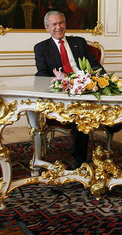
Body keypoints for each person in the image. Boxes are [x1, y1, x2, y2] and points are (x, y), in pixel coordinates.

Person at [33, 10, 104, 168]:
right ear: (47, 28)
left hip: (88, 89)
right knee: (81, 114)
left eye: (61, 23)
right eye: (54, 24)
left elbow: (95, 65)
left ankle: (110, 133)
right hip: (63, 94)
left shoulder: (79, 42)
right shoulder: (41, 48)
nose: (59, 27)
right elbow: (42, 74)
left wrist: (104, 80)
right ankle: (80, 161)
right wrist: (62, 82)